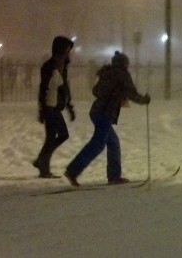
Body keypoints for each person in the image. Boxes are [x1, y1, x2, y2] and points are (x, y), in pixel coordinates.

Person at [65, 51, 150, 186]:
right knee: (98, 144)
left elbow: (96, 91)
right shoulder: (122, 74)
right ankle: (73, 170)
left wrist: (113, 93)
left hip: (96, 111)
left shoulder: (107, 73)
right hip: (105, 113)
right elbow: (132, 92)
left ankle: (114, 176)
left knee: (113, 143)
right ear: (124, 64)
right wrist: (144, 100)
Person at [33, 36, 75, 178]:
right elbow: (43, 88)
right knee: (52, 137)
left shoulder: (63, 66)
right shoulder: (49, 66)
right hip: (50, 107)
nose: (69, 52)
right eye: (67, 49)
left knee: (60, 135)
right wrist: (42, 110)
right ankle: (43, 166)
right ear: (60, 50)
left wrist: (69, 107)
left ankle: (41, 161)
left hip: (57, 107)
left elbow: (64, 88)